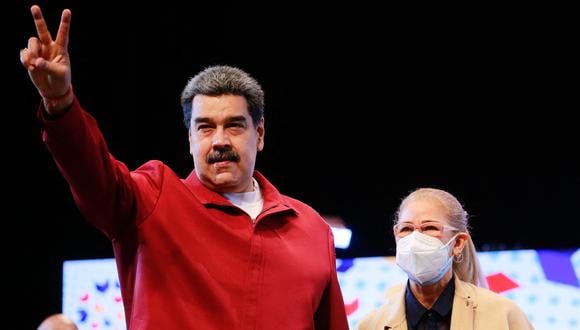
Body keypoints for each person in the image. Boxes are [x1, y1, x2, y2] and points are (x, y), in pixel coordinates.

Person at [20, 5, 348, 329]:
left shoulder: (312, 230)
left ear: (259, 134)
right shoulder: (152, 198)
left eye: (234, 125)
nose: (219, 140)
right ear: (190, 139)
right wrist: (61, 103)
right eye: (205, 127)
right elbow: (92, 174)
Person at [357, 188, 533, 330]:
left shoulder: (503, 315)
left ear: (457, 243)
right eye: (406, 229)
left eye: (430, 227)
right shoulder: (371, 325)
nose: (415, 239)